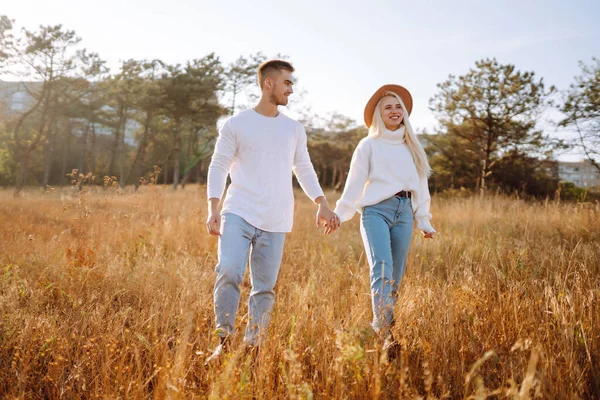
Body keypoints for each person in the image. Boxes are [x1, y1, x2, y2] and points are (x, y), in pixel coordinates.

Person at [205, 59, 340, 360]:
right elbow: (219, 166)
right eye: (287, 83)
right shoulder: (236, 124)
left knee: (264, 288)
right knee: (229, 270)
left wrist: (322, 203)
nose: (291, 89)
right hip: (238, 210)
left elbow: (304, 168)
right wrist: (213, 206)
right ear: (269, 84)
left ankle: (254, 347)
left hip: (277, 217)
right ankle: (224, 343)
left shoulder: (293, 129)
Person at [333, 84, 435, 352]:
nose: (394, 111)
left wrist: (423, 220)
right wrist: (339, 215)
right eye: (388, 106)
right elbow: (354, 184)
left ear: (404, 113)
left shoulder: (412, 147)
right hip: (375, 210)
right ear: (379, 113)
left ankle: (387, 325)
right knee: (381, 267)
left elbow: (421, 187)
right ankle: (384, 333)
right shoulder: (368, 145)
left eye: (398, 106)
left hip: (404, 212)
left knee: (396, 275)